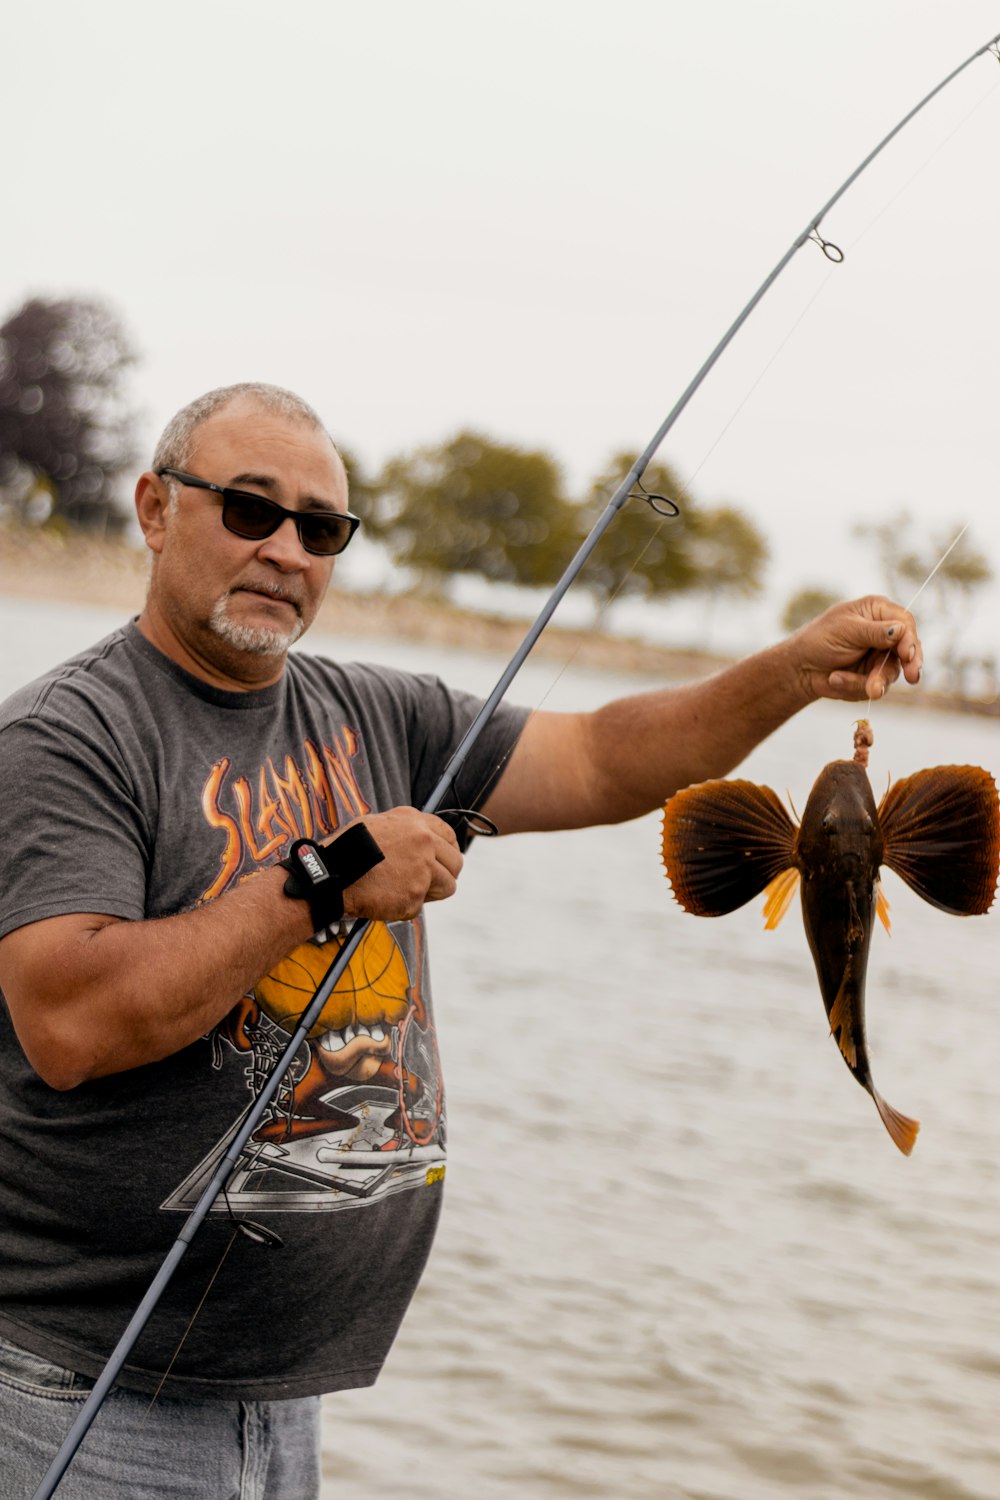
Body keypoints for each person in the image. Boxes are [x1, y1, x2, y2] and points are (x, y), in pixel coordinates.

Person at [0, 383, 923, 1498]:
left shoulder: (379, 716)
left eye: (322, 528)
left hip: (279, 1396)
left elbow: (601, 758)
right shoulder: (72, 735)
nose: (287, 549)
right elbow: (71, 1020)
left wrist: (792, 671)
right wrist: (326, 878)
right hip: (86, 1400)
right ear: (155, 509)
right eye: (251, 510)